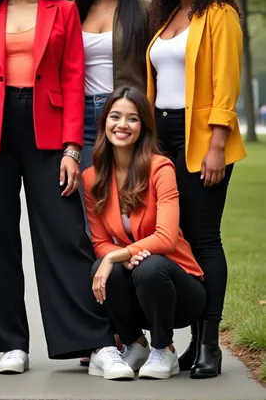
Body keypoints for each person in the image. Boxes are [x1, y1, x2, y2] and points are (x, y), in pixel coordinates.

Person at [0, 0, 113, 375]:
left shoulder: (63, 11)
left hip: (49, 131)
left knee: (66, 234)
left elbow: (72, 77)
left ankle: (93, 342)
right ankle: (10, 343)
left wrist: (70, 147)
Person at [147, 0, 247, 378]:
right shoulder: (166, 17)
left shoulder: (219, 14)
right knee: (176, 240)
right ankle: (186, 342)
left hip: (202, 136)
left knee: (204, 239)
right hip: (162, 136)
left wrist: (217, 145)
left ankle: (210, 343)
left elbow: (226, 82)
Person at [83, 86, 206, 380]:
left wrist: (121, 255)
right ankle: (135, 343)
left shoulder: (160, 168)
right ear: (104, 123)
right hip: (138, 284)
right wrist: (116, 260)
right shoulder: (92, 178)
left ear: (144, 127)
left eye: (132, 119)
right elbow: (99, 241)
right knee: (102, 268)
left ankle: (164, 350)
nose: (122, 125)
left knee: (149, 266)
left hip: (180, 290)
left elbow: (166, 237)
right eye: (115, 117)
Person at [74, 0, 151, 174]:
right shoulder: (72, 11)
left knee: (127, 202)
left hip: (126, 117)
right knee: (90, 201)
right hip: (82, 118)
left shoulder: (146, 11)